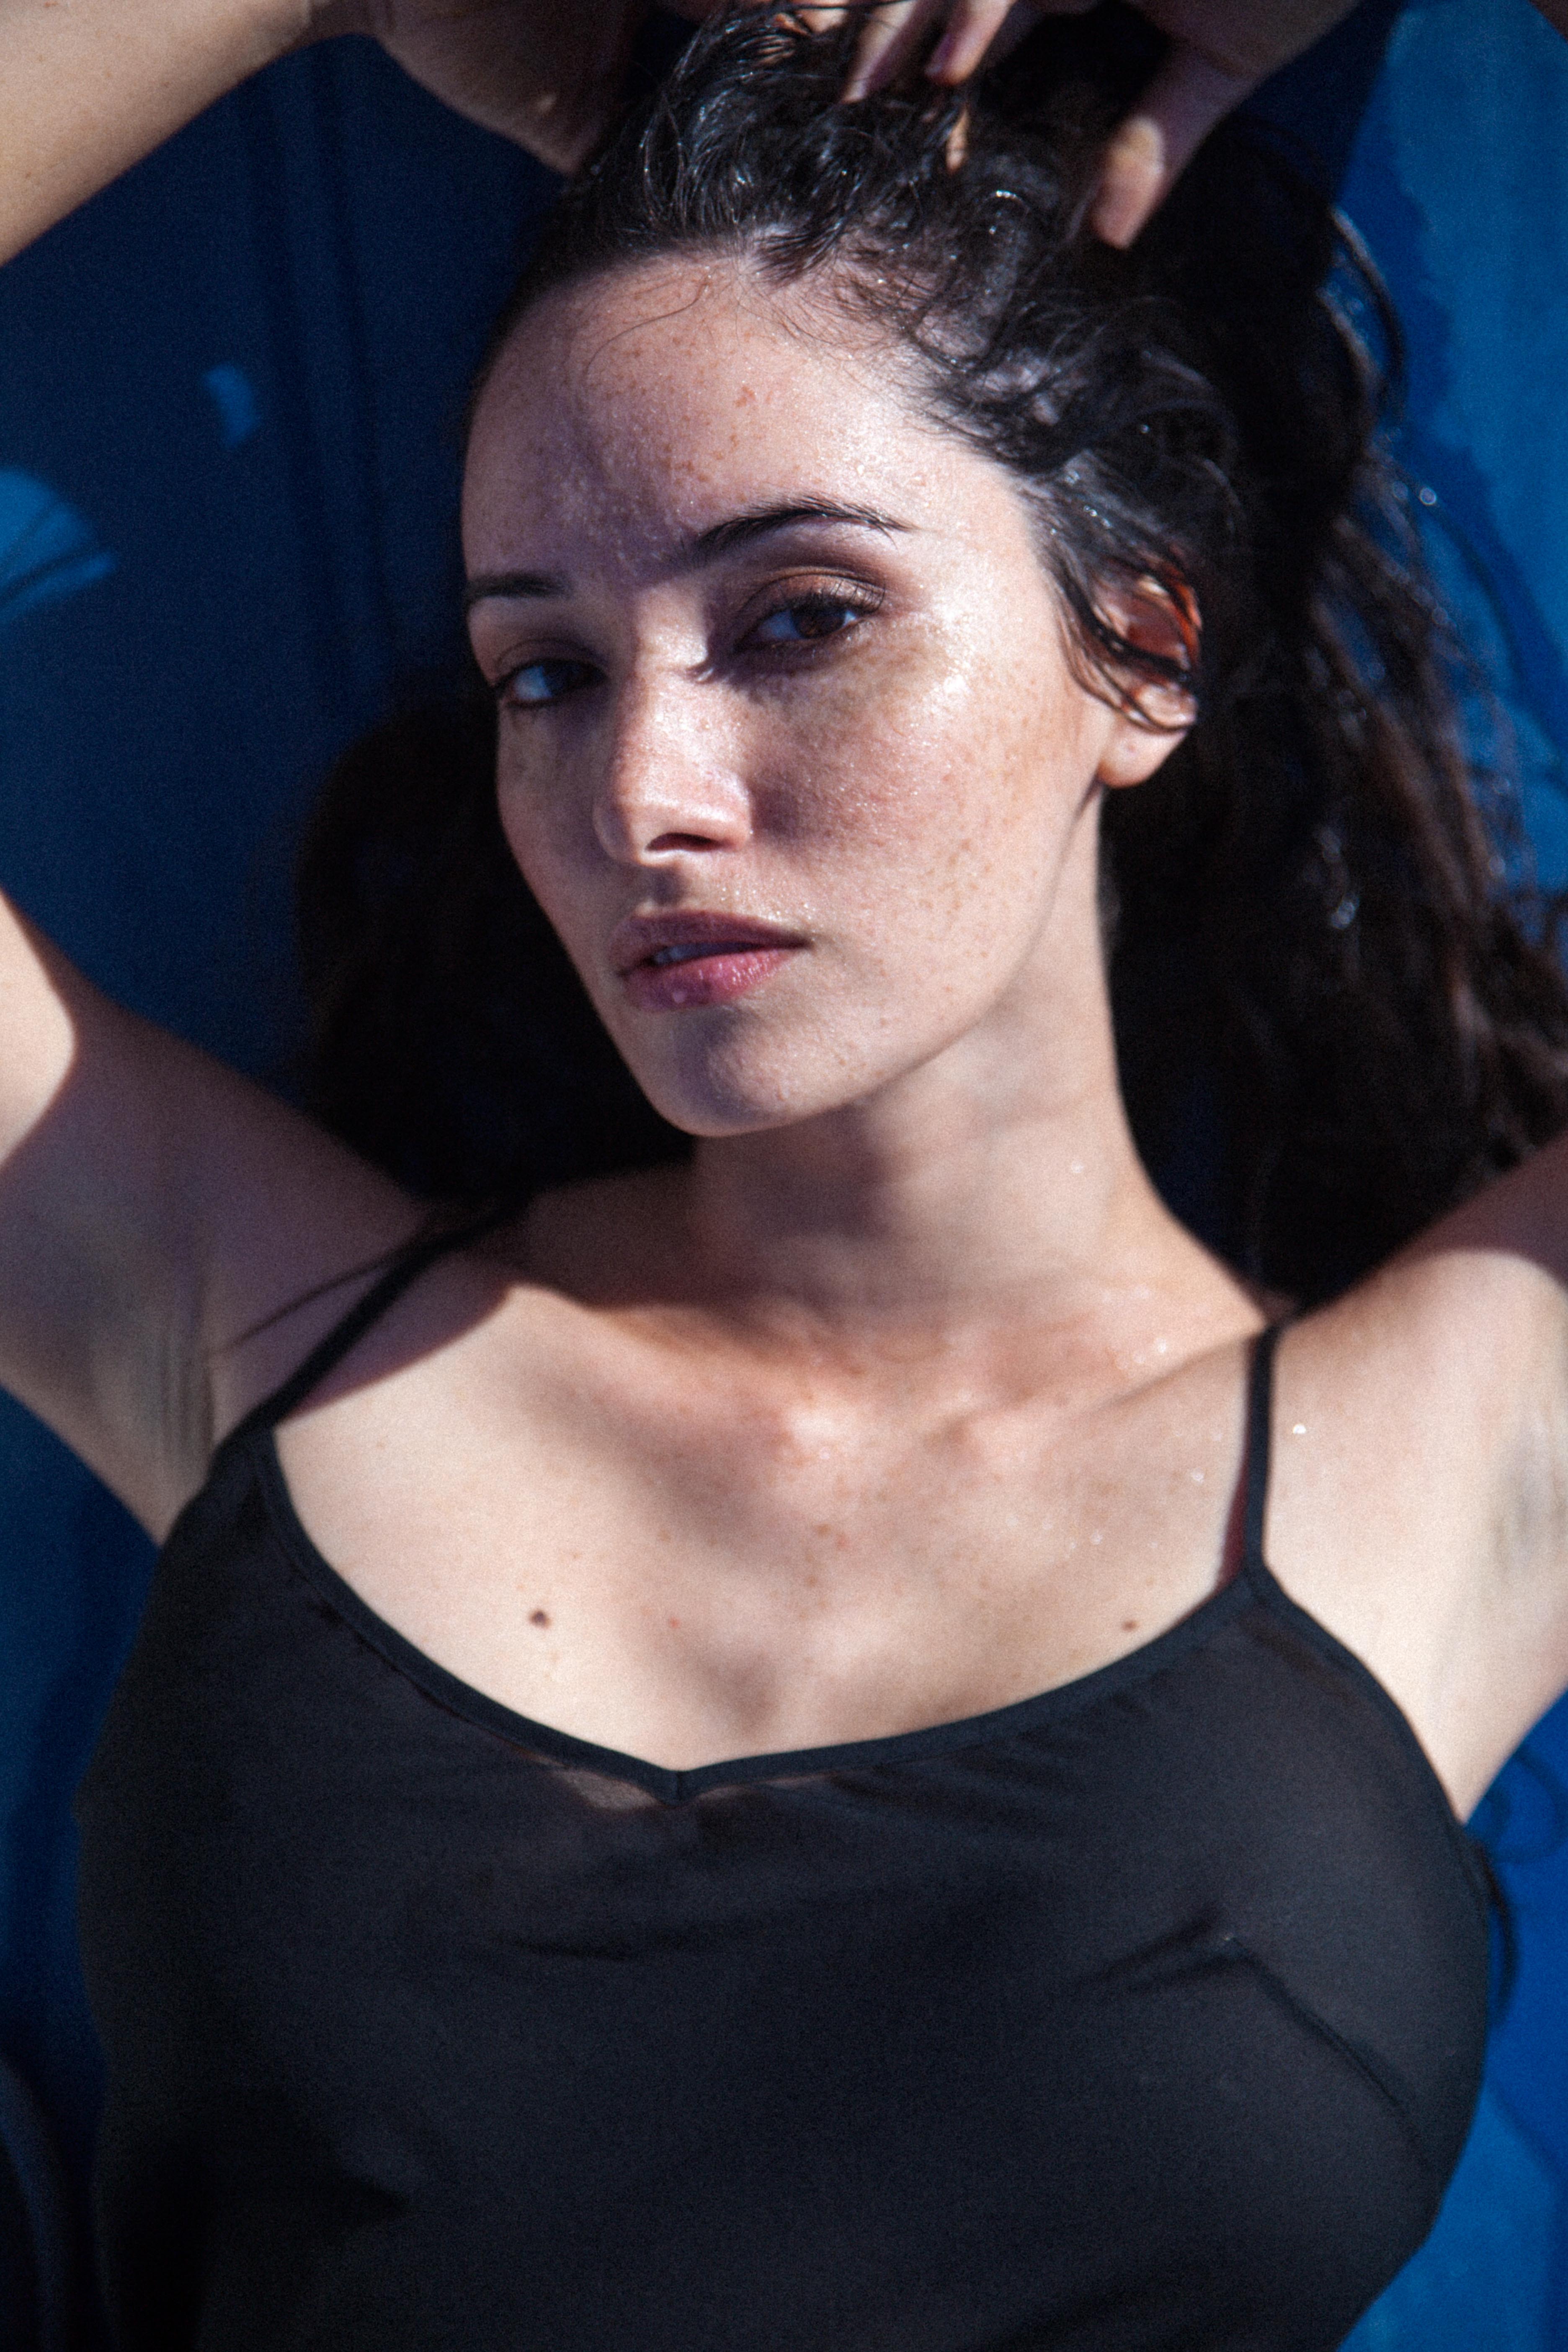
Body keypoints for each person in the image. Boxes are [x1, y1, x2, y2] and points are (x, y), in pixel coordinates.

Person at [5, 1, 1568, 2346]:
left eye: (802, 618)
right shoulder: (255, 1327)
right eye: (544, 674)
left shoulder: (1457, 1458)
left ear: (1143, 646)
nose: (643, 794)